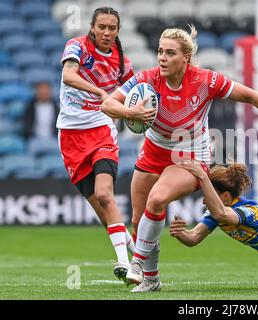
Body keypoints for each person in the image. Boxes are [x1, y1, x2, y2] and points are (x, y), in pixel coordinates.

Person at [101, 25, 258, 292]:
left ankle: (138, 262)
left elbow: (251, 95)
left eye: (170, 53)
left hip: (189, 155)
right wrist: (129, 111)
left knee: (157, 199)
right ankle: (152, 279)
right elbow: (107, 104)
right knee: (138, 217)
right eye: (160, 52)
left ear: (186, 58)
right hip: (154, 151)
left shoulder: (206, 81)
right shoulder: (147, 79)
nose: (162, 58)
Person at [57, 7, 147, 283]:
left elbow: (136, 92)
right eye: (102, 27)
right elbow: (68, 76)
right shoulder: (77, 47)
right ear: (93, 28)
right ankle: (135, 254)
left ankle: (123, 263)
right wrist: (100, 91)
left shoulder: (123, 63)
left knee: (106, 195)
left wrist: (139, 112)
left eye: (112, 28)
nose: (107, 33)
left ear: (118, 31)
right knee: (101, 208)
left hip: (102, 132)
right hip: (71, 136)